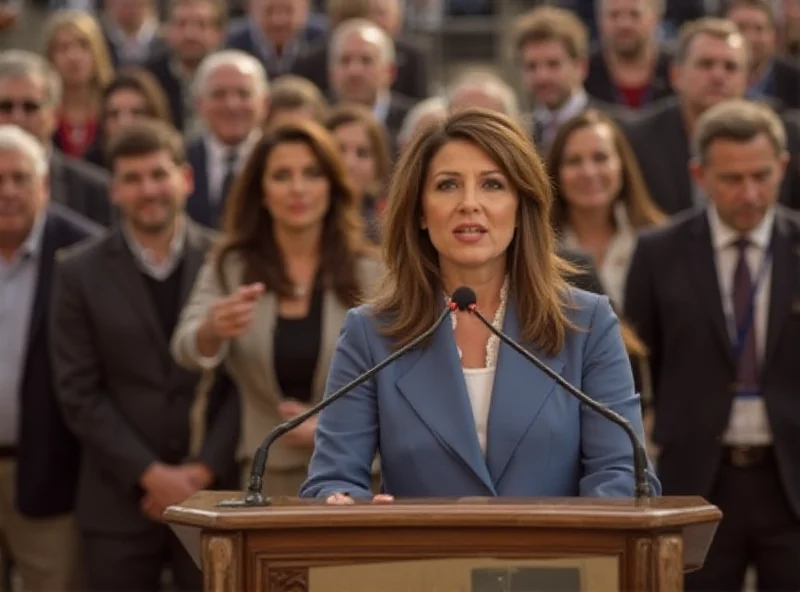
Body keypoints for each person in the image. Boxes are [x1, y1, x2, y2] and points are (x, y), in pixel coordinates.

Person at [299, 108, 660, 501]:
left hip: (558, 560)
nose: (469, 203)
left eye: (492, 185)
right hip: (419, 560)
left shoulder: (587, 324)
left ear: (521, 206)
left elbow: (623, 472)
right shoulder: (370, 333)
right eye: (447, 185)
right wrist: (346, 504)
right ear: (420, 211)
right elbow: (331, 479)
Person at [50, 120, 239, 591]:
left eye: (159, 174)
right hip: (117, 501)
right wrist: (151, 476)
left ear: (186, 179)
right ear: (113, 190)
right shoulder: (77, 271)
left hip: (216, 499)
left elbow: (245, 379)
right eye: (132, 179)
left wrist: (202, 471)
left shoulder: (228, 261)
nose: (148, 190)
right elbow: (78, 392)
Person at [624, 99, 800, 591]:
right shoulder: (658, 253)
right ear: (699, 174)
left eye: (762, 176)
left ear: (782, 167)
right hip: (698, 480)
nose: (749, 193)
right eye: (730, 179)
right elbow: (637, 364)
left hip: (791, 482)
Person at [171, 120, 382, 497]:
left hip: (359, 474)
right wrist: (212, 328)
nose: (298, 189)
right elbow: (185, 346)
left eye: (312, 174)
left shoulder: (374, 270)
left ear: (332, 186)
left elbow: (399, 371)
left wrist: (330, 424)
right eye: (282, 176)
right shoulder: (231, 265)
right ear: (262, 192)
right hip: (265, 474)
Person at [0, 124, 102, 592]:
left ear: (44, 185)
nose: (8, 192)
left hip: (49, 472)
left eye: (20, 178)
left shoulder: (85, 251)